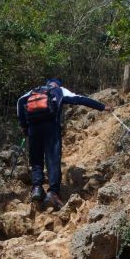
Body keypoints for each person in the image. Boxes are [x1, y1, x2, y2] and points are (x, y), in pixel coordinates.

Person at [17, 78, 110, 209]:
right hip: (51, 127)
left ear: (47, 83)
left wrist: (24, 126)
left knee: (36, 159)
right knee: (53, 158)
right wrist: (102, 107)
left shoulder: (33, 91)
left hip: (33, 128)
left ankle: (37, 188)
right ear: (57, 84)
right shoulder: (59, 90)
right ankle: (53, 193)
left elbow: (20, 101)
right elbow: (79, 99)